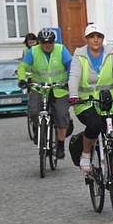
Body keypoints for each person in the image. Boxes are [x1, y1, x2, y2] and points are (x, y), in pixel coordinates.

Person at [68, 24, 113, 173]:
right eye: (92, 37)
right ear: (87, 39)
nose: (95, 40)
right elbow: (74, 75)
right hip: (86, 103)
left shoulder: (110, 52)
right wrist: (73, 94)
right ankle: (86, 154)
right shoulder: (79, 54)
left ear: (103, 39)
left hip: (110, 102)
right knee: (95, 124)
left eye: (99, 36)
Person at [17, 28, 73, 159]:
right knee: (33, 111)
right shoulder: (33, 51)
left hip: (59, 89)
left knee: (61, 116)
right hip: (39, 89)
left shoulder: (61, 49)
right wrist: (21, 79)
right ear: (40, 42)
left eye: (50, 42)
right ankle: (38, 129)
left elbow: (70, 65)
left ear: (54, 41)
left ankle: (60, 146)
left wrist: (70, 81)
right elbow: (22, 67)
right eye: (44, 42)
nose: (47, 45)